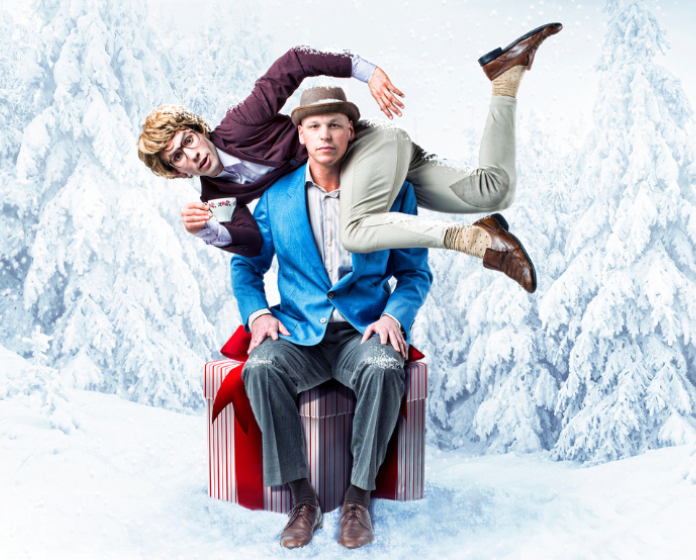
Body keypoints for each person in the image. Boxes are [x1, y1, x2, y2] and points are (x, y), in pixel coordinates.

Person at [137, 23, 564, 294]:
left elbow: (294, 61)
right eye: (178, 158)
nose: (192, 155)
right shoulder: (217, 194)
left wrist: (366, 71)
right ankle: (505, 78)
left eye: (188, 139)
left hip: (369, 146)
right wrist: (211, 230)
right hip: (379, 166)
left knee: (354, 231)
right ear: (175, 171)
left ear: (198, 128)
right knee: (494, 190)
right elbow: (250, 242)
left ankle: (476, 240)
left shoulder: (239, 124)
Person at [230, 86, 431, 549]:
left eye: (335, 125)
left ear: (351, 133)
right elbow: (246, 264)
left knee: (384, 368)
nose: (326, 135)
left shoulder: (392, 193)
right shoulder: (276, 198)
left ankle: (358, 499)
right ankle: (304, 500)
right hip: (299, 334)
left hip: (363, 332)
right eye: (315, 126)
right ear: (301, 134)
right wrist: (258, 314)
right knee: (260, 367)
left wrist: (394, 317)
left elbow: (415, 272)